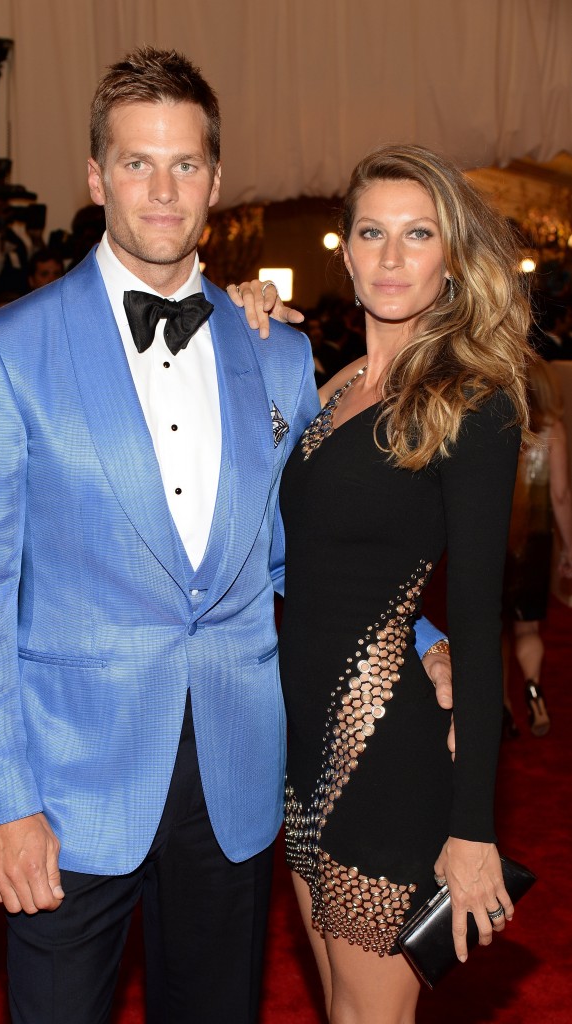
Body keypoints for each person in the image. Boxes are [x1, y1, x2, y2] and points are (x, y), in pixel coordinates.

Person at [0, 51, 449, 1024]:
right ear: (96, 177)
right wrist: (2, 800)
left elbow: (308, 551)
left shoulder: (279, 352)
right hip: (67, 791)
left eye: (184, 165)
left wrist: (418, 638)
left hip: (236, 776)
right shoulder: (6, 350)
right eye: (138, 163)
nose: (163, 190)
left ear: (216, 180)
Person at [232, 143, 531, 1024]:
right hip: (300, 741)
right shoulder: (339, 383)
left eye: (418, 234)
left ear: (451, 256)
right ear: (346, 250)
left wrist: (472, 831)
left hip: (386, 747)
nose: (392, 257)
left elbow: (475, 620)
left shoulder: (471, 401)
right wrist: (239, 314)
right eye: (372, 233)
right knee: (340, 1007)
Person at [502, 356, 572, 736]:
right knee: (528, 628)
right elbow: (560, 495)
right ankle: (533, 689)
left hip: (496, 538)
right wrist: (570, 549)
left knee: (494, 629)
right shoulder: (551, 430)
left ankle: (502, 708)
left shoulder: (498, 424)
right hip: (536, 541)